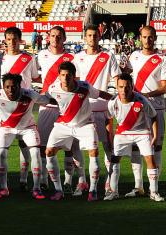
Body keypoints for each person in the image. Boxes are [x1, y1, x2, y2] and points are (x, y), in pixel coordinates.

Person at [45, 61, 113, 201]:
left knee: (93, 152)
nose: (65, 78)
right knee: (49, 152)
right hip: (63, 125)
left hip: (85, 124)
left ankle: (92, 190)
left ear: (74, 76)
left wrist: (115, 98)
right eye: (63, 75)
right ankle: (58, 190)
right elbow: (47, 99)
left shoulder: (85, 86)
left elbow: (99, 93)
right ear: (59, 76)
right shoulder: (53, 88)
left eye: (68, 75)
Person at [0, 73, 54, 200]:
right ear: (3, 87)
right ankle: (3, 188)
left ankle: (36, 188)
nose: (10, 90)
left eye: (14, 87)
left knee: (35, 153)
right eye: (7, 87)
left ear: (20, 86)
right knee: (1, 154)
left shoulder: (30, 94)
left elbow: (47, 100)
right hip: (6, 129)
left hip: (27, 128)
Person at [37, 26, 87, 195]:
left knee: (70, 147)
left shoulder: (71, 58)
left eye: (59, 36)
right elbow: (36, 76)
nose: (56, 39)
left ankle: (67, 181)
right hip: (47, 106)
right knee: (44, 146)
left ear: (64, 38)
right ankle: (44, 180)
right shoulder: (41, 56)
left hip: (66, 107)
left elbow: (77, 81)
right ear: (48, 38)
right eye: (53, 36)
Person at [122, 25, 166, 198]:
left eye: (150, 37)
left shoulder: (163, 59)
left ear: (155, 38)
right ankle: (138, 186)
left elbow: (165, 87)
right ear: (140, 38)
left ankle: (154, 188)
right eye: (144, 37)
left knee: (156, 146)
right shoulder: (133, 56)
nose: (147, 40)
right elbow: (124, 76)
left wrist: (145, 95)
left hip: (155, 108)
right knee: (135, 147)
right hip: (136, 109)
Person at [73, 24, 121, 196]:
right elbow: (75, 83)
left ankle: (109, 182)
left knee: (108, 146)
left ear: (99, 37)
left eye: (95, 35)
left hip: (103, 109)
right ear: (84, 37)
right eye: (89, 35)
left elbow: (117, 79)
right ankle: (82, 182)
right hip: (83, 110)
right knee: (78, 146)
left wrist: (118, 98)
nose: (92, 38)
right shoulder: (77, 58)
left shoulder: (108, 57)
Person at [105, 73, 164, 202]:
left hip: (142, 132)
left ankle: (154, 192)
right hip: (122, 133)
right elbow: (108, 119)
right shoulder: (112, 102)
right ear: (117, 87)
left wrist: (154, 135)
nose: (123, 90)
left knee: (150, 159)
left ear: (132, 87)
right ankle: (113, 192)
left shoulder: (141, 100)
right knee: (114, 160)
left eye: (127, 87)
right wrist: (110, 137)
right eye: (121, 87)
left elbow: (154, 116)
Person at [0, 27, 40, 191]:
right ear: (5, 41)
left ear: (20, 40)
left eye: (14, 39)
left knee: (25, 144)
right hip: (6, 109)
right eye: (9, 39)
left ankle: (23, 180)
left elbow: (35, 78)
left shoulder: (28, 58)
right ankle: (3, 185)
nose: (12, 42)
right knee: (3, 148)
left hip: (24, 108)